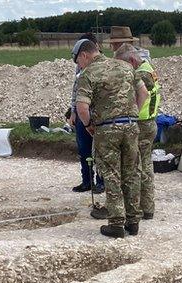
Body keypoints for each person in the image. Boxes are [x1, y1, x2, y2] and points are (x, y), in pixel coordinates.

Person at [74, 39, 149, 239]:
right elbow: (143, 92)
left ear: (84, 55)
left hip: (106, 129)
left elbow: (82, 107)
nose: (78, 66)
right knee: (132, 173)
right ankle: (133, 222)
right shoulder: (125, 67)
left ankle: (116, 223)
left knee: (112, 174)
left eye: (77, 61)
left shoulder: (87, 74)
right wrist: (132, 115)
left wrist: (89, 125)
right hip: (131, 126)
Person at [115, 43, 160, 219]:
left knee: (137, 167)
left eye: (124, 65)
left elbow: (135, 96)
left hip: (140, 123)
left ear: (132, 60)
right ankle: (147, 207)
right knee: (146, 164)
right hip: (149, 121)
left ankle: (139, 208)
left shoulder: (140, 74)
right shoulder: (148, 68)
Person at [69, 34, 104, 195]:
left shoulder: (104, 65)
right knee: (84, 149)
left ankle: (101, 181)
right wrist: (73, 112)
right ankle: (87, 181)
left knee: (101, 150)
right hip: (82, 112)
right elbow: (76, 90)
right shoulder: (80, 66)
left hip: (97, 113)